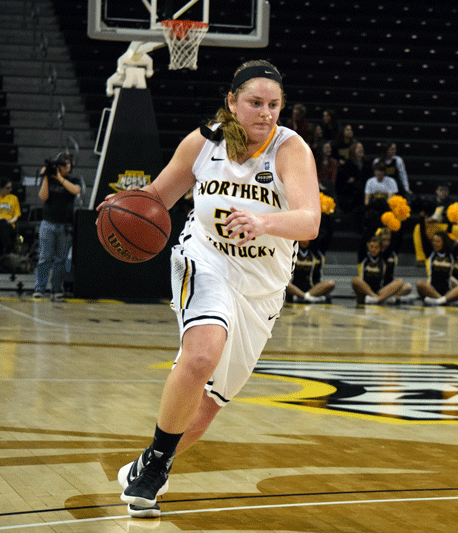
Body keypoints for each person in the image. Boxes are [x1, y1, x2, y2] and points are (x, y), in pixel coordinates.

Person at [101, 60, 320, 518]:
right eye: (255, 103)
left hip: (261, 286)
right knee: (201, 355)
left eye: (274, 105)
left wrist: (262, 221)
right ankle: (157, 469)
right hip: (205, 260)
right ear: (231, 103)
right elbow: (158, 197)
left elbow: (309, 221)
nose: (265, 113)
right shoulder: (203, 143)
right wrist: (125, 207)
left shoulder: (290, 149)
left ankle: (147, 460)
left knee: (206, 409)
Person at [33, 153, 82, 300]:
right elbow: (43, 197)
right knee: (44, 257)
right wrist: (47, 177)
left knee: (61, 259)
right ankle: (40, 289)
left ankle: (56, 288)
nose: (66, 166)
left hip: (65, 225)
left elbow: (75, 190)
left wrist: (60, 178)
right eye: (63, 164)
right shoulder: (49, 180)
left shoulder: (74, 179)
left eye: (68, 164)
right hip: (48, 223)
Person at [416, 231, 458, 306]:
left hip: (447, 291)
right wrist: (422, 219)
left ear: (444, 242)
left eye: (438, 241)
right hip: (432, 290)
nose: (434, 243)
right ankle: (442, 300)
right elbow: (423, 236)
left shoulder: (451, 254)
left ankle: (441, 300)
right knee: (420, 284)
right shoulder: (430, 253)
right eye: (433, 241)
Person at [351, 234, 411, 305]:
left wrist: (394, 230)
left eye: (376, 247)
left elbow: (394, 243)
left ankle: (378, 299)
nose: (373, 249)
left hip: (379, 291)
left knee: (400, 282)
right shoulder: (363, 256)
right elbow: (364, 237)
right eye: (371, 247)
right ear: (368, 246)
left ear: (380, 248)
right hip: (365, 291)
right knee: (355, 280)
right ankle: (378, 297)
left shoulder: (383, 257)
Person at [286, 239, 335, 304]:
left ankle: (305, 297)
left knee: (331, 283)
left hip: (312, 289)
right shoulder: (291, 253)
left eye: (306, 239)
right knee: (284, 283)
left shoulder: (317, 254)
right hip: (294, 288)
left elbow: (319, 276)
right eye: (302, 239)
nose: (304, 241)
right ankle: (307, 297)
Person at [335, 142, 371, 215]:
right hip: (351, 195)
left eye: (362, 148)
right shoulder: (347, 165)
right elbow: (342, 182)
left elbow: (369, 179)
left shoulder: (367, 163)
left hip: (364, 192)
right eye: (358, 148)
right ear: (353, 150)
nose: (361, 149)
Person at [0, 177, 21, 256]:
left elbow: (16, 216)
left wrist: (9, 221)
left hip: (9, 225)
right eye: (7, 188)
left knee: (4, 225)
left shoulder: (14, 198)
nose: (10, 190)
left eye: (11, 187)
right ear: (0, 188)